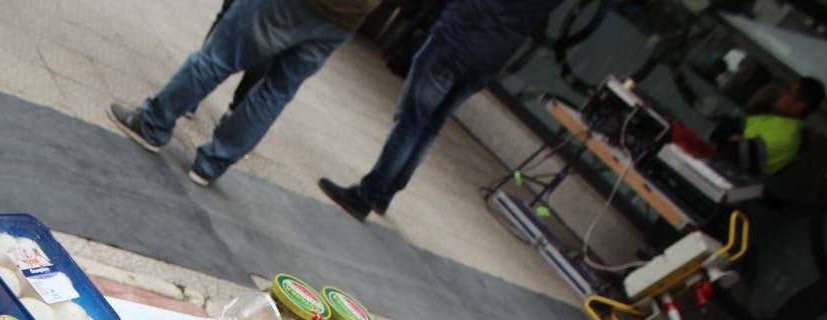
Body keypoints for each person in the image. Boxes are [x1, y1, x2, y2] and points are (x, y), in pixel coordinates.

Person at [318, 0, 558, 221]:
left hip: (457, 40)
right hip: (489, 59)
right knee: (431, 125)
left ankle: (366, 196)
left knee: (411, 121)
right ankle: (385, 193)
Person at [108, 0, 380, 187]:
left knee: (219, 56)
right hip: (347, 16)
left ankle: (153, 124)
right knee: (277, 91)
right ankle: (212, 164)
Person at [725, 77, 825, 176]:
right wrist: (737, 138)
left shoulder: (787, 137)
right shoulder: (772, 118)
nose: (781, 93)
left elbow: (736, 153)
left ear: (798, 105)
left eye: (788, 92)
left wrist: (736, 139)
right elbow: (725, 128)